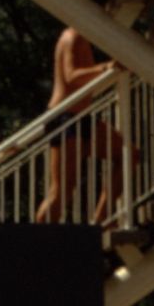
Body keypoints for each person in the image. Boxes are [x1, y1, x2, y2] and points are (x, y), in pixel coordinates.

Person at [35, 27, 118, 224]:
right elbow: (71, 76)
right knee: (62, 189)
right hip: (65, 117)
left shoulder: (84, 37)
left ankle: (100, 219)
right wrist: (105, 68)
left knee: (129, 154)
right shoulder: (73, 36)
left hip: (82, 116)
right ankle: (37, 244)